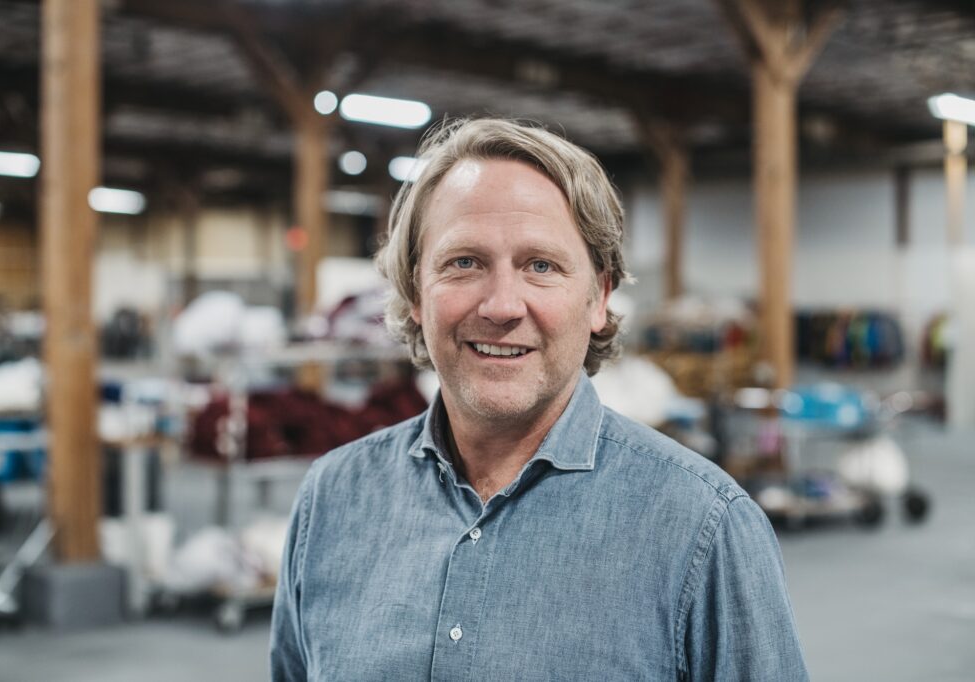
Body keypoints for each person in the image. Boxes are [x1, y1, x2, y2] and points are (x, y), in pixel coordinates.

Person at [270, 118, 808, 680]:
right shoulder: (333, 499)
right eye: (464, 263)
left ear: (598, 297)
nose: (502, 306)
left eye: (541, 266)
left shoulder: (704, 527)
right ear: (415, 293)